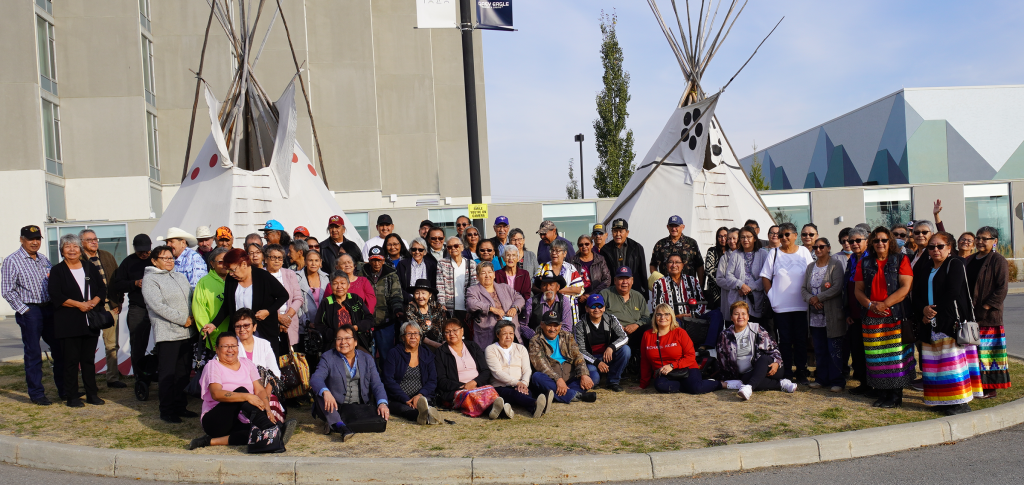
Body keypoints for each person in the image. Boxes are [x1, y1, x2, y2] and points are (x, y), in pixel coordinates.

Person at [188, 333, 296, 450]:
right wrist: (247, 396)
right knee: (241, 391)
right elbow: (216, 393)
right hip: (215, 420)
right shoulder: (213, 366)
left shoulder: (247, 363)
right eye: (225, 346)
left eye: (233, 346)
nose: (230, 350)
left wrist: (268, 410)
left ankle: (209, 441)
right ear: (217, 349)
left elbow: (259, 390)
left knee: (255, 434)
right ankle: (272, 428)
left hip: (240, 418)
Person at [911, 232, 978, 415]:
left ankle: (959, 403)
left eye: (940, 246)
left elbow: (953, 292)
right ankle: (940, 400)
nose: (935, 250)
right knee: (934, 364)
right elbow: (915, 293)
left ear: (949, 248)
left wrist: (933, 311)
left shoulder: (955, 264)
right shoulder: (925, 267)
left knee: (951, 364)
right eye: (931, 247)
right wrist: (923, 310)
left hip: (949, 321)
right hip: (929, 323)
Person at [854, 226, 916, 408]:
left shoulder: (901, 259)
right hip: (871, 316)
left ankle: (895, 397)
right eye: (876, 240)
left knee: (895, 358)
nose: (880, 243)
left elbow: (906, 287)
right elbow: (858, 289)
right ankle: (882, 394)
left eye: (884, 240)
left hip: (895, 316)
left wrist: (885, 304)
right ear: (872, 243)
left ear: (890, 241)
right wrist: (871, 305)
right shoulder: (864, 263)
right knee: (877, 358)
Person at [47, 234, 105, 407]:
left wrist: (93, 302)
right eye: (67, 247)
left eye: (75, 246)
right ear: (62, 250)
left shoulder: (89, 267)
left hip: (90, 320)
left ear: (80, 249)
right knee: (70, 361)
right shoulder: (58, 270)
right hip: (68, 322)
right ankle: (72, 396)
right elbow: (56, 295)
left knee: (88, 360)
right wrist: (79, 305)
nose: (72, 250)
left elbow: (102, 288)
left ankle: (91, 394)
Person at [141, 245, 196, 423]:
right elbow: (157, 306)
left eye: (171, 258)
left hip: (187, 332)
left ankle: (180, 406)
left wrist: (193, 317)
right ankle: (166, 409)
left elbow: (190, 298)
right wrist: (183, 319)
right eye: (164, 258)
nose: (169, 261)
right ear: (154, 261)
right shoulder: (150, 280)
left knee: (183, 372)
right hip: (168, 333)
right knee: (167, 374)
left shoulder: (180, 276)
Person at [311, 324, 389, 440]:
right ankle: (340, 426)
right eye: (339, 339)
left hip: (358, 407)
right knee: (320, 394)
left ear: (355, 342)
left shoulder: (367, 359)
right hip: (335, 406)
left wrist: (382, 403)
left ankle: (333, 423)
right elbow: (316, 378)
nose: (343, 342)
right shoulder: (328, 357)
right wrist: (326, 392)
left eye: (347, 338)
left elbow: (377, 384)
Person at [759, 222, 814, 383]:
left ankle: (802, 372)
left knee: (801, 340)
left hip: (801, 305)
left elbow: (812, 274)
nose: (783, 237)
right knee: (784, 340)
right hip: (781, 307)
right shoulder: (774, 253)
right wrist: (772, 297)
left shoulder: (804, 252)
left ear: (795, 236)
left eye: (786, 234)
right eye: (781, 235)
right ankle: (787, 372)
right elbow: (765, 276)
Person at [213, 248, 290, 356]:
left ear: (244, 264)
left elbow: (284, 295)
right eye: (228, 271)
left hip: (263, 330)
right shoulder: (231, 280)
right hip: (239, 332)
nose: (230, 274)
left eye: (233, 270)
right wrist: (213, 324)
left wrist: (268, 311)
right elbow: (227, 305)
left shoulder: (263, 276)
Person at [717, 301, 795, 400]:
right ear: (731, 317)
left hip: (770, 367)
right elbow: (722, 359)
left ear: (748, 317)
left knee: (763, 359)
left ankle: (749, 388)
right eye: (736, 314)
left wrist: (776, 362)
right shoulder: (725, 335)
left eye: (743, 314)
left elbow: (774, 349)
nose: (740, 317)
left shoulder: (757, 329)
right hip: (749, 373)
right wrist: (727, 379)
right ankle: (781, 384)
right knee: (745, 379)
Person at [965, 226, 1010, 397]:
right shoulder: (969, 260)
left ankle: (990, 387)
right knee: (972, 352)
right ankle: (974, 384)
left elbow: (1002, 289)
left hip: (988, 316)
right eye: (978, 238)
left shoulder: (998, 260)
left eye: (985, 238)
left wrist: (985, 308)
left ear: (995, 241)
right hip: (969, 314)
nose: (980, 242)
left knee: (988, 353)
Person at [640, 303, 724, 394]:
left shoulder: (680, 332)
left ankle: (720, 384)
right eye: (659, 314)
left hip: (687, 368)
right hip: (665, 373)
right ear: (655, 317)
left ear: (672, 316)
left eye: (666, 314)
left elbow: (690, 356)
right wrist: (643, 384)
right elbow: (645, 360)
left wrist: (672, 366)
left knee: (697, 389)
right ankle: (691, 385)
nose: (662, 317)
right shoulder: (647, 335)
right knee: (660, 386)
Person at [434, 319, 509, 419]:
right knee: (470, 395)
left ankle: (496, 409)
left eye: (455, 330)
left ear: (462, 331)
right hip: (457, 390)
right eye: (447, 332)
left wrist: (474, 382)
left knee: (490, 390)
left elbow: (485, 371)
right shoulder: (440, 352)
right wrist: (464, 386)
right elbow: (441, 380)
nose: (452, 334)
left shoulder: (473, 346)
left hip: (477, 385)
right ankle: (497, 410)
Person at [109, 234, 154, 398]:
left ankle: (156, 372)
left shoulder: (157, 259)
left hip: (157, 307)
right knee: (137, 344)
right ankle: (140, 378)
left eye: (147, 251)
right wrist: (134, 283)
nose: (144, 254)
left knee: (164, 342)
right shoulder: (128, 262)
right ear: (135, 249)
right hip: (138, 307)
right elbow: (117, 284)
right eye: (141, 251)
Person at [79, 229, 125, 389]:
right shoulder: (77, 258)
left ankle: (112, 377)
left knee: (112, 344)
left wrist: (119, 300)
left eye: (95, 239)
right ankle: (88, 380)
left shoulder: (106, 256)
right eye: (89, 240)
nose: (94, 242)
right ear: (82, 242)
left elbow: (117, 278)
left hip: (109, 306)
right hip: (87, 307)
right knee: (87, 345)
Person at [802, 237, 847, 392]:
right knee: (819, 349)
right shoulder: (810, 267)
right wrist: (811, 300)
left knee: (834, 349)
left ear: (828, 248)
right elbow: (803, 289)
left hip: (832, 316)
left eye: (821, 247)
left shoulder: (836, 265)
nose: (818, 249)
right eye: (815, 247)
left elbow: (837, 287)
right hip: (815, 317)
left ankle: (837, 381)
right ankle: (821, 378)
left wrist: (818, 297)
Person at [486, 321, 551, 418]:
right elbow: (497, 372)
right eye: (505, 333)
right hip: (500, 386)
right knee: (516, 394)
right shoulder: (491, 349)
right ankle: (536, 404)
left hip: (520, 385)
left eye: (511, 333)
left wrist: (524, 383)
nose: (508, 336)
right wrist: (517, 383)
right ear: (497, 334)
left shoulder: (521, 348)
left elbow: (527, 370)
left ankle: (535, 409)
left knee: (524, 392)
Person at [529, 312, 597, 404]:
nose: (552, 329)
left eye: (555, 325)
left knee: (594, 375)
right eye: (549, 325)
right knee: (537, 377)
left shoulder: (567, 336)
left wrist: (583, 375)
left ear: (560, 326)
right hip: (552, 379)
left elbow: (578, 356)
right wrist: (558, 379)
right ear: (542, 325)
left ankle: (558, 394)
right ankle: (576, 395)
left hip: (570, 376)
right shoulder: (535, 341)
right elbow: (541, 365)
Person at [381, 322, 441, 425]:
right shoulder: (394, 353)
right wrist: (405, 399)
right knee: (405, 410)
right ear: (403, 337)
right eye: (409, 334)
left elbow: (432, 380)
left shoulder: (427, 354)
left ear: (420, 337)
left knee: (424, 404)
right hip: (399, 399)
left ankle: (426, 413)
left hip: (422, 397)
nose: (413, 336)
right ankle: (423, 416)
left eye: (416, 333)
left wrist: (419, 395)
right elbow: (388, 380)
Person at [310, 272, 376, 358]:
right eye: (335, 284)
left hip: (356, 341)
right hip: (335, 343)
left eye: (343, 283)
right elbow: (319, 325)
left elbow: (369, 319)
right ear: (330, 286)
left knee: (367, 361)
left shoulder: (355, 299)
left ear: (348, 285)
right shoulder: (326, 302)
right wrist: (336, 334)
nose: (339, 287)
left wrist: (357, 327)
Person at [652, 254, 713, 345]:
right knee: (676, 324)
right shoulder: (659, 283)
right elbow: (657, 307)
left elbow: (702, 301)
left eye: (677, 262)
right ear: (666, 265)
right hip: (674, 319)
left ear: (682, 265)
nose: (674, 265)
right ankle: (680, 350)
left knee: (716, 315)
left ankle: (707, 346)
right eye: (670, 262)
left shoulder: (693, 281)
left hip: (694, 317)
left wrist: (695, 314)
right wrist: (677, 316)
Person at [574, 294, 630, 392]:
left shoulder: (611, 319)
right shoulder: (580, 325)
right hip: (591, 360)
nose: (596, 309)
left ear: (604, 308)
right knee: (594, 379)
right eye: (592, 306)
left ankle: (613, 381)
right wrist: (597, 362)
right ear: (586, 309)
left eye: (600, 306)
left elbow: (624, 337)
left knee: (626, 350)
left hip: (608, 356)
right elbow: (580, 350)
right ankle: (598, 377)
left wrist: (611, 348)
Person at [467, 262, 525, 348]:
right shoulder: (473, 290)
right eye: (483, 273)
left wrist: (514, 308)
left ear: (494, 275)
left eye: (490, 272)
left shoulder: (505, 287)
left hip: (510, 332)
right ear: (477, 277)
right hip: (488, 334)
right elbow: (471, 304)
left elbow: (520, 299)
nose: (487, 275)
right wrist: (491, 309)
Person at [717, 226, 767, 326]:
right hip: (737, 300)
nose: (746, 240)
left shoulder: (763, 254)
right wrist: (740, 285)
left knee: (754, 333)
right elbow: (729, 276)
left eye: (749, 237)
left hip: (755, 302)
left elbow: (765, 277)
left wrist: (748, 288)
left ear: (755, 238)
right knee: (736, 334)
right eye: (743, 237)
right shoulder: (735, 254)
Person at [362, 246, 404, 357]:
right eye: (374, 260)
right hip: (365, 322)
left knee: (386, 355)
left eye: (379, 260)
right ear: (369, 260)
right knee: (367, 355)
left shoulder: (391, 275)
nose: (376, 263)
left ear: (383, 260)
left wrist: (398, 309)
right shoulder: (361, 274)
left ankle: (386, 375)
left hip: (385, 322)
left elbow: (396, 296)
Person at [843, 226, 871, 394]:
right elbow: (847, 287)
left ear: (866, 241)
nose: (854, 244)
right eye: (850, 241)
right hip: (853, 313)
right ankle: (863, 383)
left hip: (868, 311)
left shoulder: (872, 259)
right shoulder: (851, 259)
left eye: (857, 240)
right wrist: (847, 312)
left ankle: (872, 383)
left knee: (869, 350)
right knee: (857, 350)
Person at [600, 267, 651, 357]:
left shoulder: (638, 296)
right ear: (615, 280)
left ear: (632, 281)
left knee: (650, 328)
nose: (624, 282)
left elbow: (646, 317)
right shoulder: (605, 294)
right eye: (621, 278)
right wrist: (616, 326)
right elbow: (598, 314)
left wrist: (636, 325)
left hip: (634, 333)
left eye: (627, 278)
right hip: (613, 334)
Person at [264, 244, 303, 351]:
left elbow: (298, 298)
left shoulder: (290, 274)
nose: (277, 261)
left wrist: (287, 317)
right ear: (266, 259)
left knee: (289, 361)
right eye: (273, 257)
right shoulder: (261, 275)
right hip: (269, 323)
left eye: (280, 258)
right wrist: (279, 318)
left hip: (289, 323)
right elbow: (260, 302)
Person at [600, 218, 648, 298]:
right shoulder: (605, 250)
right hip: (613, 292)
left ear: (627, 232)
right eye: (615, 231)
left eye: (621, 231)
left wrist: (645, 294)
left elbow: (643, 272)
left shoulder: (637, 247)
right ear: (612, 232)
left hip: (633, 291)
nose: (618, 234)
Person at [193, 247, 230, 350]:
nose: (225, 265)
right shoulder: (204, 282)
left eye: (227, 261)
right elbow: (199, 309)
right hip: (214, 335)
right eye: (220, 262)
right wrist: (206, 330)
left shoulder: (236, 279)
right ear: (212, 264)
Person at [650, 215, 704, 284]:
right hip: (666, 287)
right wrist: (659, 281)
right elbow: (653, 265)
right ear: (667, 227)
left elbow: (699, 265)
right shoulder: (660, 244)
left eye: (676, 226)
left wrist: (701, 284)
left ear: (683, 227)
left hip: (688, 287)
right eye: (671, 226)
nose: (674, 228)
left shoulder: (691, 243)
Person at [436, 236, 478, 321]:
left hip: (467, 307)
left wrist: (472, 307)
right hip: (449, 308)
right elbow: (440, 286)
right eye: (449, 247)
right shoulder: (442, 263)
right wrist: (442, 305)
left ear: (462, 247)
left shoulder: (471, 264)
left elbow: (474, 286)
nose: (453, 248)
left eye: (456, 246)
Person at [232, 308, 282, 378]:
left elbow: (274, 372)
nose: (242, 329)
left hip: (263, 387)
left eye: (246, 325)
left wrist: (267, 388)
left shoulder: (264, 344)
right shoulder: (229, 344)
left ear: (254, 327)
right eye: (238, 326)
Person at [297, 249, 329, 355]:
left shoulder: (326, 278)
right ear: (305, 261)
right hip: (303, 326)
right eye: (310, 260)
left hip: (323, 326)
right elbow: (295, 301)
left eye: (316, 260)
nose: (313, 263)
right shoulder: (296, 278)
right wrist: (306, 322)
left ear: (320, 262)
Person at [497, 245, 533, 333]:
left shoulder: (524, 274)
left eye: (513, 255)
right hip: (502, 312)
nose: (511, 258)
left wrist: (515, 307)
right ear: (504, 258)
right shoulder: (497, 274)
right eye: (508, 255)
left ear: (518, 258)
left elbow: (526, 294)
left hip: (520, 310)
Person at [404, 279, 445, 348]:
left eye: (423, 293)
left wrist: (444, 342)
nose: (420, 296)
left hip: (441, 344)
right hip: (420, 346)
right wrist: (437, 345)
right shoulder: (410, 309)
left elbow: (444, 326)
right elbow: (417, 333)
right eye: (417, 293)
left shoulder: (437, 307)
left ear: (430, 294)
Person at [571, 235, 611, 301]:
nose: (584, 247)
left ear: (592, 245)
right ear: (578, 246)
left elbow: (607, 280)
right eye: (581, 245)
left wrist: (591, 295)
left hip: (595, 299)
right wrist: (579, 296)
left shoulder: (600, 260)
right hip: (576, 299)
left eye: (587, 244)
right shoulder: (572, 261)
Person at [397, 237, 437, 302]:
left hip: (426, 302)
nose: (417, 252)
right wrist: (410, 299)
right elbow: (398, 286)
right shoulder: (402, 265)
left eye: (420, 250)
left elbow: (433, 286)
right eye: (414, 249)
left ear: (425, 252)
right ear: (410, 251)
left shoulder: (431, 266)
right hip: (407, 301)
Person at [704, 227, 730, 311]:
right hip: (715, 290)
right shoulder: (712, 251)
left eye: (725, 236)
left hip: (730, 289)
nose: (723, 239)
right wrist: (723, 281)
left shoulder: (733, 252)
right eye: (720, 236)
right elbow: (709, 270)